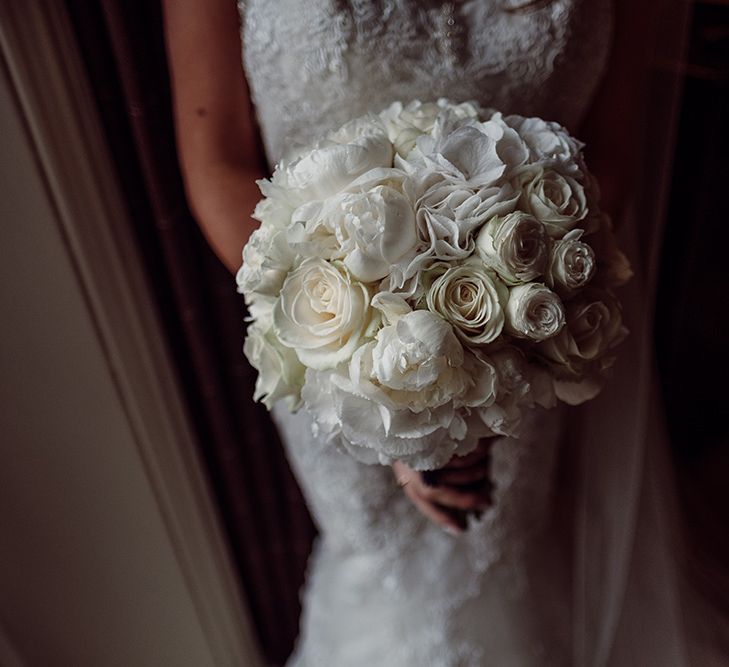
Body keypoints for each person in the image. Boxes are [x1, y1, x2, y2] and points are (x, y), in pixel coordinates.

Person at [162, 1, 720, 664]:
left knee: (507, 549)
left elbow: (613, 149)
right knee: (385, 571)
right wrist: (385, 382)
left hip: (525, 322)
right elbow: (216, 162)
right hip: (330, 336)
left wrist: (497, 357)